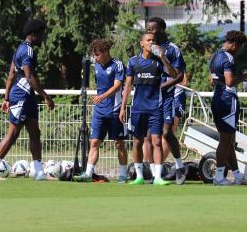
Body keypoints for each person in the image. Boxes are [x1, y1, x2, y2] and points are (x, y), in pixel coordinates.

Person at [0, 19, 54, 181]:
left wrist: (6, 98)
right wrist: (46, 96)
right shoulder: (27, 51)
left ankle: (39, 172)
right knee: (13, 133)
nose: (43, 37)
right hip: (21, 96)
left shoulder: (19, 49)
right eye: (41, 33)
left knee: (35, 133)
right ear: (33, 34)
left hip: (27, 98)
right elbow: (28, 76)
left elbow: (11, 75)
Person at [119, 32, 177, 186]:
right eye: (148, 40)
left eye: (153, 40)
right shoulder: (133, 62)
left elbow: (174, 74)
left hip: (155, 108)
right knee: (137, 141)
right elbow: (128, 86)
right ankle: (139, 176)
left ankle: (157, 177)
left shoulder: (159, 62)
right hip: (138, 108)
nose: (151, 43)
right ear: (141, 43)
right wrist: (123, 107)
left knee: (157, 140)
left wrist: (163, 57)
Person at [73, 39, 128, 183]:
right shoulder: (96, 66)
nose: (95, 57)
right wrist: (100, 97)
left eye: (97, 54)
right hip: (99, 111)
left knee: (119, 143)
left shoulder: (118, 65)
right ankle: (88, 174)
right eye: (94, 55)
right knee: (94, 142)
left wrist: (102, 96)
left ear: (105, 52)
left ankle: (123, 175)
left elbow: (117, 86)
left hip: (115, 110)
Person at [144, 17, 187, 185]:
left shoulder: (172, 50)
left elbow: (179, 76)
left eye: (152, 29)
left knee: (166, 133)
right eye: (148, 29)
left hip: (167, 96)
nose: (150, 32)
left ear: (162, 29)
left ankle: (179, 166)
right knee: (148, 135)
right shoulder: (147, 48)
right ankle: (154, 174)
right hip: (150, 98)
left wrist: (161, 87)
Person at [209, 30, 247, 185]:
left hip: (217, 98)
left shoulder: (215, 55)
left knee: (228, 140)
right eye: (240, 47)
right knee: (225, 140)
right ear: (235, 44)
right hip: (228, 100)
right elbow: (229, 82)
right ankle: (219, 177)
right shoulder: (228, 58)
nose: (239, 51)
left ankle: (237, 175)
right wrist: (245, 75)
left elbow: (212, 80)